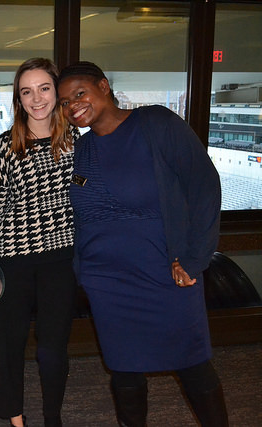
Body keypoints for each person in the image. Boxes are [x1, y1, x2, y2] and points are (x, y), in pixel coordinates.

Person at [57, 61, 228, 427]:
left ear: (104, 86)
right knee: (124, 371)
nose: (73, 106)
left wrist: (195, 257)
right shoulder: (83, 148)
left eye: (80, 93)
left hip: (166, 270)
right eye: (65, 102)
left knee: (194, 364)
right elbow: (85, 216)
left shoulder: (155, 123)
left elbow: (204, 186)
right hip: (107, 281)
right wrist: (83, 271)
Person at [0, 57, 79, 427]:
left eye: (44, 88)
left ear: (56, 91)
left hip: (61, 261)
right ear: (18, 100)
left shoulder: (75, 141)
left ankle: (53, 417)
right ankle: (16, 419)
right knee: (11, 347)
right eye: (26, 92)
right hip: (12, 261)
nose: (36, 98)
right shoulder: (6, 146)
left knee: (54, 350)